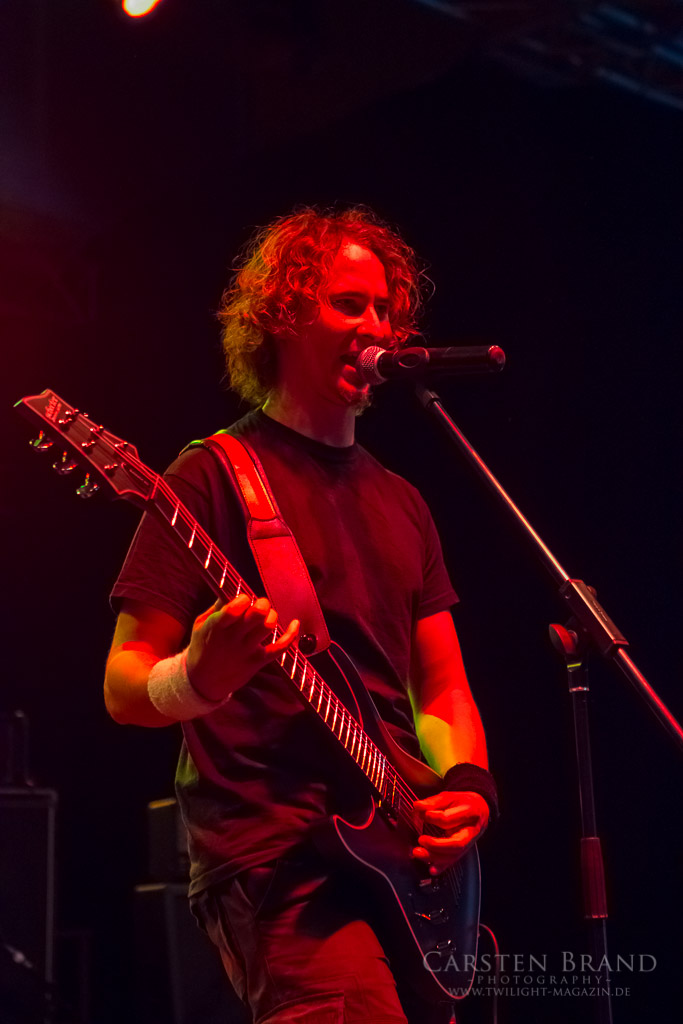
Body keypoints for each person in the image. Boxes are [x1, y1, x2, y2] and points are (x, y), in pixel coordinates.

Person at [104, 207, 496, 1024]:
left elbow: (441, 691)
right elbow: (124, 685)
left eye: (385, 309)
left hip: (404, 858)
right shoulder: (212, 476)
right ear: (281, 318)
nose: (374, 325)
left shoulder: (404, 502)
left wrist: (465, 787)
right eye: (349, 305)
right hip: (279, 860)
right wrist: (199, 676)